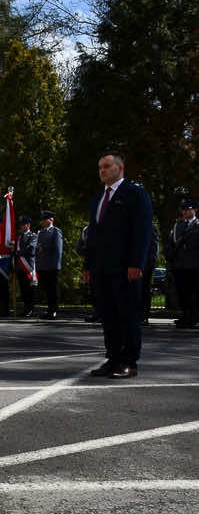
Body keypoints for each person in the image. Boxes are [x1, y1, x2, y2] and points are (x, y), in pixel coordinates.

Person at [83, 153, 153, 379]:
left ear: (120, 168)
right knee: (108, 316)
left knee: (127, 315)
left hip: (125, 268)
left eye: (107, 166)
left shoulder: (135, 193)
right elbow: (92, 235)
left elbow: (142, 232)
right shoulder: (98, 199)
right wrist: (87, 265)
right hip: (101, 268)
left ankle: (129, 362)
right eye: (100, 167)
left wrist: (136, 263)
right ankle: (113, 359)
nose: (102, 171)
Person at [168, 201, 199, 328]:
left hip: (195, 265)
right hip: (180, 265)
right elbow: (171, 244)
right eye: (183, 209)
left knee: (195, 293)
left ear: (195, 210)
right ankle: (185, 316)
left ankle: (194, 317)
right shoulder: (177, 226)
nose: (185, 211)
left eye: (188, 209)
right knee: (182, 292)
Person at [36, 211, 63, 319]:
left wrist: (56, 265)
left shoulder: (56, 231)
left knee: (53, 289)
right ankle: (49, 310)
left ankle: (54, 310)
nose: (42, 221)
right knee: (47, 289)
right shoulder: (41, 233)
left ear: (50, 220)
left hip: (52, 265)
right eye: (42, 219)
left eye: (44, 219)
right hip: (43, 265)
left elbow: (58, 250)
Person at [76, 226, 100, 323]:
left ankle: (104, 313)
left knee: (103, 289)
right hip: (90, 262)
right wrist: (85, 251)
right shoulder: (86, 229)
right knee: (93, 289)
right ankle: (97, 313)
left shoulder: (106, 224)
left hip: (103, 262)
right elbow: (79, 245)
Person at [15, 217, 37, 317]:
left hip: (28, 266)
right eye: (20, 225)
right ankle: (26, 308)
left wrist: (19, 252)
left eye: (23, 225)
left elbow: (31, 248)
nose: (21, 226)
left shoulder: (33, 236)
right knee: (23, 289)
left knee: (30, 289)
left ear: (28, 225)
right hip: (20, 266)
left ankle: (30, 309)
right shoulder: (19, 237)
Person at [142, 226, 159, 325]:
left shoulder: (150, 228)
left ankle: (144, 315)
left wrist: (150, 264)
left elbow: (153, 248)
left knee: (144, 290)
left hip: (145, 265)